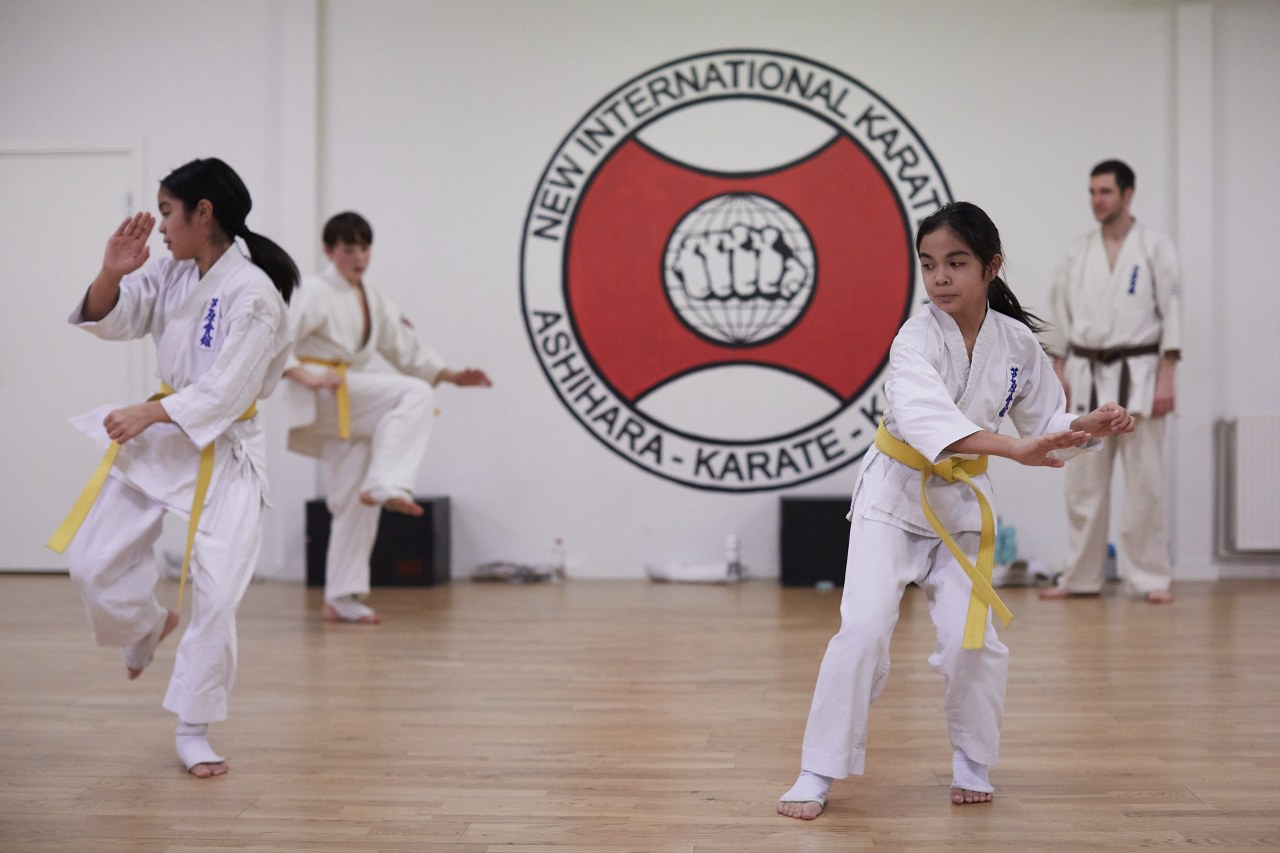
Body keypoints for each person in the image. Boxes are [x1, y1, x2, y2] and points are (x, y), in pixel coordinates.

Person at [777, 202, 1135, 820]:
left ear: (992, 267)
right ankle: (817, 768)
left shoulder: (1015, 341)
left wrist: (1086, 424)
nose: (939, 277)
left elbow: (1046, 419)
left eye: (956, 263)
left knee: (973, 640)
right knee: (863, 629)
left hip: (962, 504)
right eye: (928, 264)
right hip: (893, 497)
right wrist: (1016, 449)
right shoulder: (915, 339)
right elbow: (927, 424)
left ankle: (973, 761)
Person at [48, 158, 296, 777]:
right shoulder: (175, 272)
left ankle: (193, 727)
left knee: (218, 595)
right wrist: (111, 271)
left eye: (166, 212)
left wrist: (148, 413)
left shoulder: (253, 295)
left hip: (226, 450)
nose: (159, 226)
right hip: (162, 435)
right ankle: (146, 624)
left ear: (202, 213)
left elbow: (228, 393)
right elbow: (116, 317)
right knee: (90, 565)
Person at [282, 211, 491, 625]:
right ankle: (389, 481)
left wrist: (450, 375)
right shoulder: (313, 290)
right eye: (348, 249)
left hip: (349, 398)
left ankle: (341, 597)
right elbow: (276, 337)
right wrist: (305, 374)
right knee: (413, 394)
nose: (358, 257)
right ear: (329, 250)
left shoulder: (373, 298)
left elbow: (405, 347)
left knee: (352, 502)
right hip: (324, 392)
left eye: (364, 249)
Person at [1039, 160, 1182, 605]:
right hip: (1086, 374)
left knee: (1146, 484)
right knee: (1083, 484)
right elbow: (1059, 314)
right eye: (1092, 192)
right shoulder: (1078, 252)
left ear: (1127, 194)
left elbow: (1172, 311)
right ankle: (1080, 576)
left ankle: (1149, 577)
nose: (1096, 200)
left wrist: (1167, 375)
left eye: (1105, 192)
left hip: (1140, 376)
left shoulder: (1154, 247)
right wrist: (1059, 370)